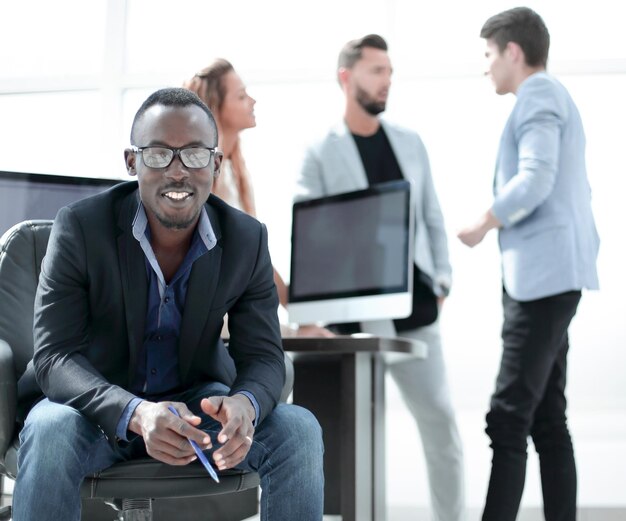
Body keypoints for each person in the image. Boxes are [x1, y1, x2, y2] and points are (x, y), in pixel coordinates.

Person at [13, 87, 324, 521]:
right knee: (49, 430)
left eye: (195, 155)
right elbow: (54, 357)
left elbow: (265, 356)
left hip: (195, 408)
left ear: (215, 164)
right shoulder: (80, 228)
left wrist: (245, 405)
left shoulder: (246, 240)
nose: (178, 172)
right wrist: (136, 413)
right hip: (95, 409)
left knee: (299, 429)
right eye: (159, 154)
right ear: (131, 161)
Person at [296, 34, 465, 521]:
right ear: (346, 77)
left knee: (440, 423)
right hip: (350, 314)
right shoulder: (319, 151)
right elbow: (309, 229)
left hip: (415, 306)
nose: (387, 80)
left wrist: (444, 280)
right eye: (376, 71)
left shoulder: (410, 142)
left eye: (390, 71)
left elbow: (430, 212)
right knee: (350, 433)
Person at [457, 8, 600, 521]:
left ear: (513, 52)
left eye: (490, 55)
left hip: (542, 283)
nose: (487, 67)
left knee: (508, 416)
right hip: (554, 278)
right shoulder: (554, 97)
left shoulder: (538, 95)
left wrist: (484, 221)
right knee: (546, 416)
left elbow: (538, 177)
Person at [183, 59, 332, 337]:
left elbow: (254, 256)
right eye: (240, 96)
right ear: (215, 107)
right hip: (211, 320)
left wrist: (300, 314)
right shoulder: (197, 179)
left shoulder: (234, 173)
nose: (252, 101)